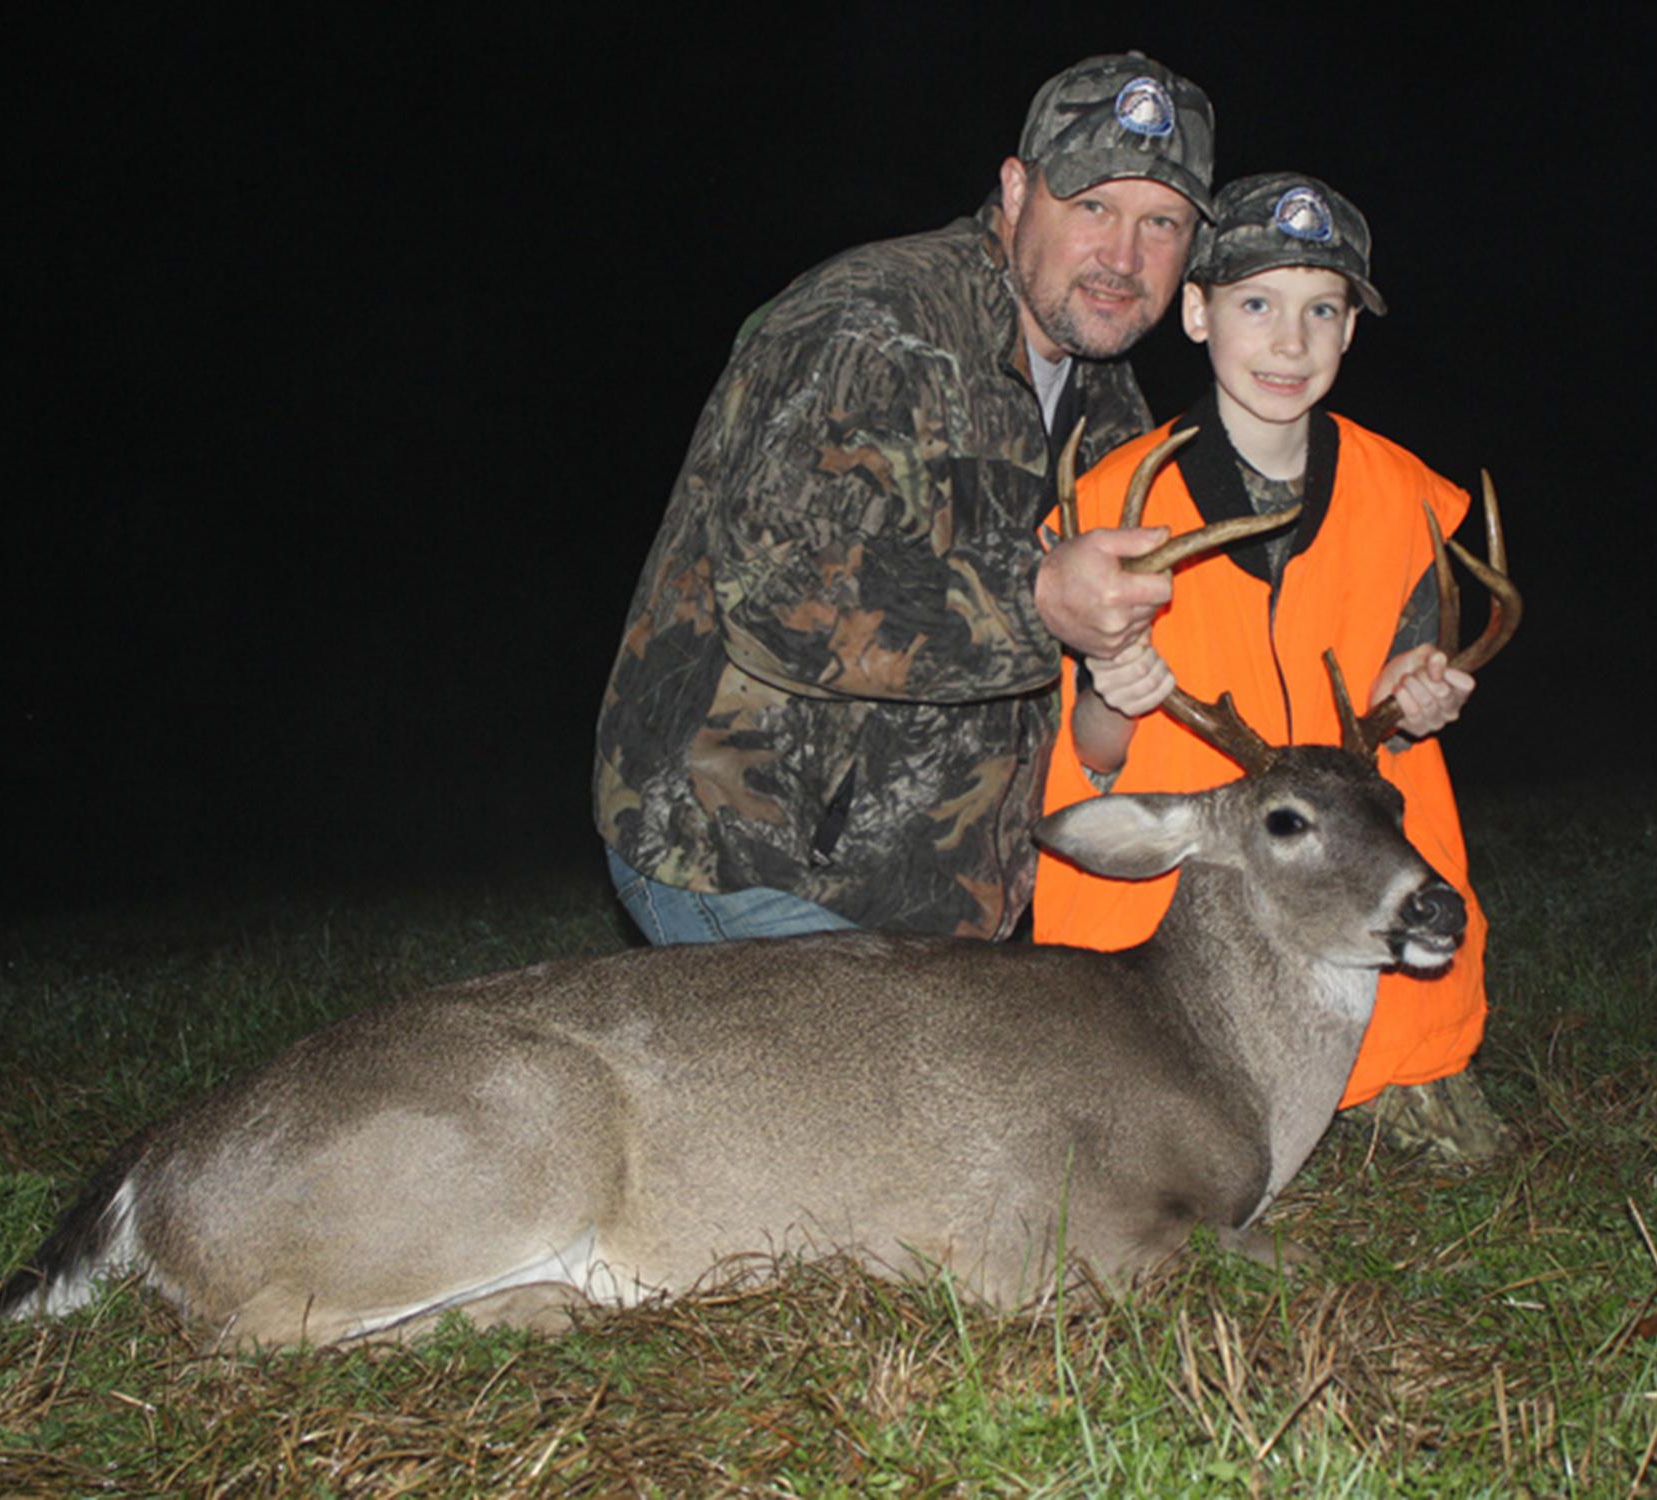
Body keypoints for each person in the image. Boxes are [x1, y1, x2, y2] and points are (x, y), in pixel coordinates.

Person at [594, 54, 1214, 944]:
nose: (1123, 256)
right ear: (1015, 189)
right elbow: (777, 594)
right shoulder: (870, 325)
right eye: (1092, 208)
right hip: (738, 856)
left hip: (932, 902)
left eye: (1162, 222)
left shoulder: (1114, 408)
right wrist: (1037, 599)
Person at [1031, 172, 1509, 1161]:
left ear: (1349, 331)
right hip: (1154, 967)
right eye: (1258, 305)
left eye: (1321, 310)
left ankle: (1383, 1078)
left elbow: (1393, 701)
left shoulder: (1405, 498)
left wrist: (1415, 701)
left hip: (1370, 949)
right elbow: (1094, 748)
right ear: (1198, 314)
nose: (1290, 343)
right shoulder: (1115, 505)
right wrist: (1117, 691)